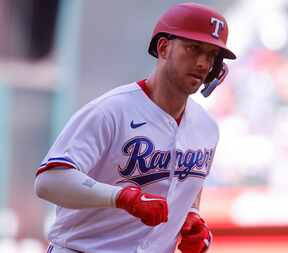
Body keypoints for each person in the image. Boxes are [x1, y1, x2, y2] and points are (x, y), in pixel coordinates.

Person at [34, 2, 236, 253]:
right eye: (194, 48)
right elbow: (49, 180)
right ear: (163, 48)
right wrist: (120, 197)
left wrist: (191, 216)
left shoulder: (206, 128)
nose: (203, 63)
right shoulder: (112, 110)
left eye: (211, 55)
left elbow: (186, 184)